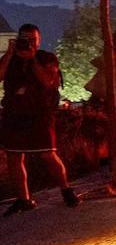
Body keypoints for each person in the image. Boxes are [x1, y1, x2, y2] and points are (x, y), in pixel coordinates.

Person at [1, 24, 78, 214]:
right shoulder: (10, 59)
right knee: (14, 156)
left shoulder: (46, 58)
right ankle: (23, 199)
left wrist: (33, 57)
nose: (28, 43)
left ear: (39, 40)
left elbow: (48, 81)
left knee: (48, 154)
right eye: (24, 39)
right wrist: (10, 54)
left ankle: (66, 190)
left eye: (32, 39)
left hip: (39, 115)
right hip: (14, 114)